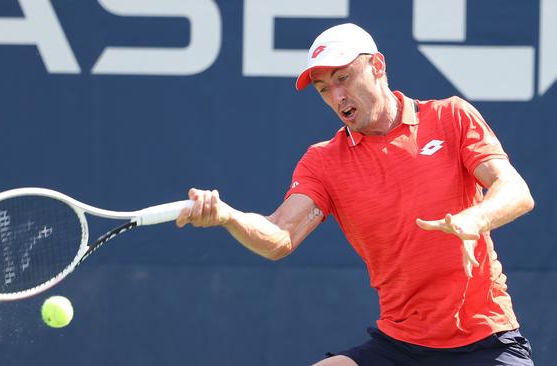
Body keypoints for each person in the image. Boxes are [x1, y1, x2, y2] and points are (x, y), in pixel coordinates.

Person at [176, 23, 535, 366]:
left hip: (485, 342)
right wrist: (227, 216)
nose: (337, 97)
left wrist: (476, 217)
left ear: (377, 66)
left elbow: (516, 190)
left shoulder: (450, 117)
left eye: (343, 78)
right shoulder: (323, 161)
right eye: (324, 89)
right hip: (401, 347)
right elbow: (280, 235)